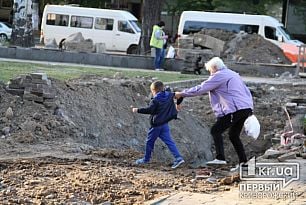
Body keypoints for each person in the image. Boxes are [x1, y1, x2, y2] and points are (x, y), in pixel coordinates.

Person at [175, 57, 253, 166]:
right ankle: (243, 162)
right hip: (245, 108)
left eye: (210, 71)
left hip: (235, 109)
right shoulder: (233, 74)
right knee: (233, 135)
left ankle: (220, 158)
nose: (210, 74)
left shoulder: (219, 75)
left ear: (215, 68)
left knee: (215, 130)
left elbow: (201, 88)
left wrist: (182, 93)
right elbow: (246, 91)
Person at [132, 81, 185, 169]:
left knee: (149, 142)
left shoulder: (155, 100)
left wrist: (137, 110)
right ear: (162, 88)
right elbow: (181, 95)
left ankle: (146, 159)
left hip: (156, 125)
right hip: (164, 123)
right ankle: (178, 158)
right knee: (169, 142)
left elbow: (150, 110)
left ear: (153, 90)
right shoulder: (169, 94)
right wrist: (178, 105)